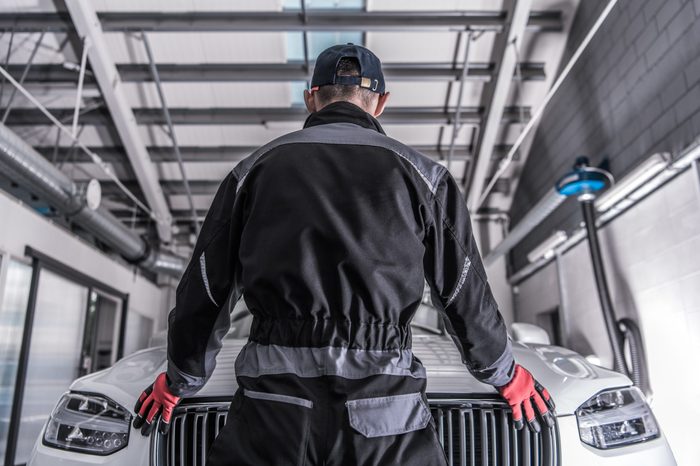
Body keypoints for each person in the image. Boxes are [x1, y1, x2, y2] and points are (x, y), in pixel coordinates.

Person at [131, 43, 555, 465]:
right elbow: (464, 291)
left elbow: (206, 288)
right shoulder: (425, 178)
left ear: (311, 97)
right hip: (386, 416)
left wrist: (180, 380)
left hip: (272, 411)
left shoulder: (253, 172)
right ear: (381, 103)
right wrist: (505, 374)